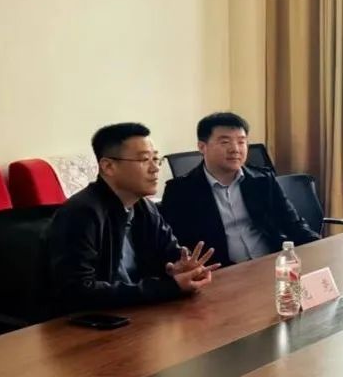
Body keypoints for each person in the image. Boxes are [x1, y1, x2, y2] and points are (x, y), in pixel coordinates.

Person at [46, 122, 216, 314]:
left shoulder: (144, 207)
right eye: (144, 160)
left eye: (156, 159)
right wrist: (168, 287)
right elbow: (78, 291)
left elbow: (170, 253)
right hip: (90, 321)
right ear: (108, 166)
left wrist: (185, 268)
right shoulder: (81, 213)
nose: (155, 168)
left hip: (138, 313)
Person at [159, 112, 319, 266]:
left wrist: (319, 247)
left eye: (241, 142)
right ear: (202, 147)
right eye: (225, 142)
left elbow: (293, 224)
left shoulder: (262, 180)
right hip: (221, 273)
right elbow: (177, 249)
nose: (235, 149)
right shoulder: (180, 191)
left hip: (270, 264)